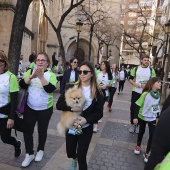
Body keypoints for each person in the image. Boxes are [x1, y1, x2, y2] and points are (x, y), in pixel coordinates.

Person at [56, 61, 104, 170]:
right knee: (70, 152)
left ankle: (79, 159)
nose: (82, 74)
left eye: (85, 72)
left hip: (86, 128)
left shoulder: (98, 92)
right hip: (72, 126)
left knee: (82, 156)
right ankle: (74, 158)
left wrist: (86, 120)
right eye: (80, 71)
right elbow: (59, 105)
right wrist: (72, 108)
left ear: (92, 73)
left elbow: (99, 113)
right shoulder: (71, 87)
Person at [19, 52, 57, 167]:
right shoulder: (30, 72)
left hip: (45, 109)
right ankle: (29, 153)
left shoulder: (51, 75)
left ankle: (40, 150)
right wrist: (31, 77)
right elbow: (22, 84)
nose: (40, 62)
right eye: (38, 60)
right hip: (30, 108)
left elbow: (50, 89)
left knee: (42, 130)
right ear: (35, 62)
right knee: (27, 130)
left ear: (47, 63)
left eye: (43, 60)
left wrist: (41, 77)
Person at [133, 77, 161, 163]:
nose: (160, 84)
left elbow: (156, 107)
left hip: (152, 118)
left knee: (152, 134)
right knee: (141, 131)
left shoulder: (158, 95)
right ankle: (138, 145)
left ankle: (148, 152)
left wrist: (157, 117)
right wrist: (135, 117)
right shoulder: (145, 94)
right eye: (158, 82)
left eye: (160, 82)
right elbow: (137, 105)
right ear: (153, 84)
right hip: (142, 116)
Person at [0, 51, 22, 158]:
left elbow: (14, 101)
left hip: (5, 115)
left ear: (5, 62)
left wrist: (11, 118)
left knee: (5, 139)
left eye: (1, 60)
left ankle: (17, 144)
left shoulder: (11, 77)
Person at [129, 55, 156, 133]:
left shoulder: (151, 70)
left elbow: (154, 81)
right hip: (136, 91)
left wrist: (147, 85)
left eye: (147, 60)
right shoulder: (136, 68)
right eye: (145, 60)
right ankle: (132, 124)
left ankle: (138, 125)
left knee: (142, 109)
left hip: (146, 93)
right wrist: (134, 84)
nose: (146, 61)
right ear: (141, 61)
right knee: (133, 108)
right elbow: (130, 79)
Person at [94, 61, 113, 132]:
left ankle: (97, 121)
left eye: (103, 64)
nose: (102, 65)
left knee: (99, 107)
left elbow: (111, 84)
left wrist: (106, 86)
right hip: (96, 92)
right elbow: (94, 81)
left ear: (107, 66)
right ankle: (95, 124)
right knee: (96, 107)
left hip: (104, 93)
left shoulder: (110, 75)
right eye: (101, 64)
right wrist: (97, 86)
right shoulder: (97, 72)